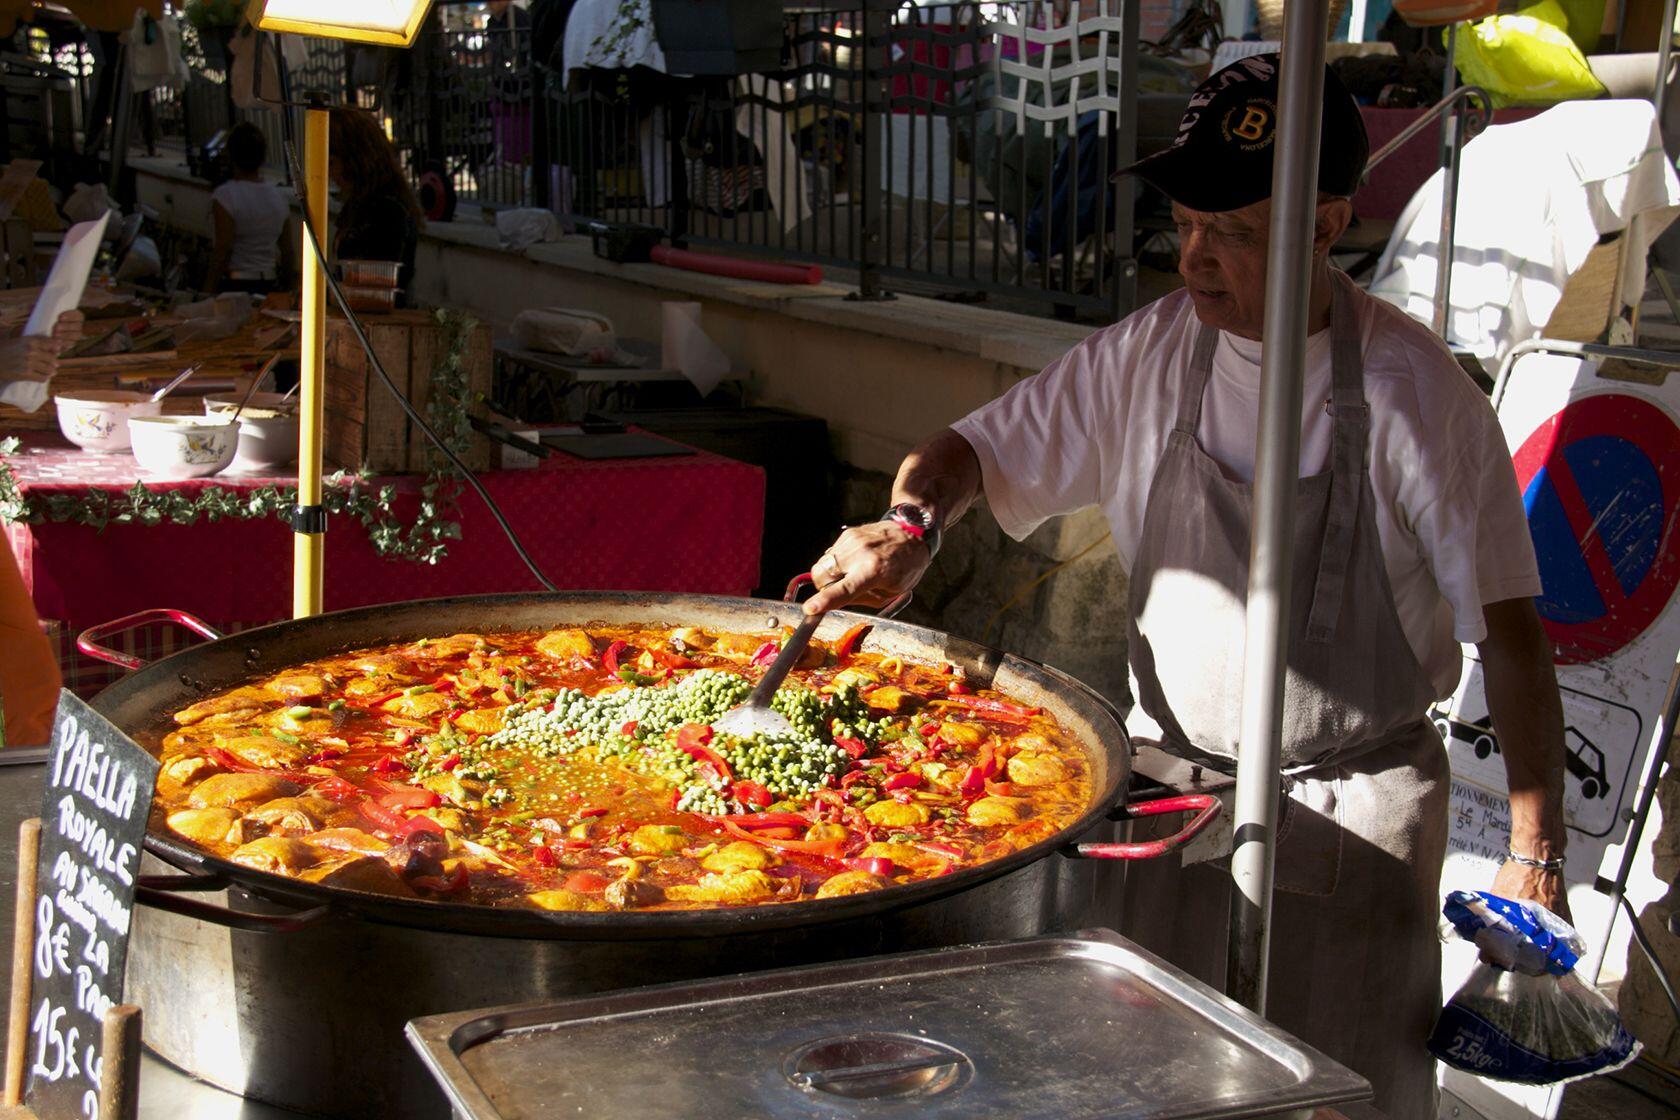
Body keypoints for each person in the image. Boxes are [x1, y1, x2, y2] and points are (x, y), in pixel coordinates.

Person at [802, 55, 1567, 1119]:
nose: (1197, 259)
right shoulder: (1147, 356)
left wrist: (1535, 856)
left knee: (1336, 1094)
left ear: (1327, 220)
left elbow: (1513, 631)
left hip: (1349, 825)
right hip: (1170, 801)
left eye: (1238, 232)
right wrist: (910, 528)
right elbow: (969, 450)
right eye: (1186, 223)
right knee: (1148, 1092)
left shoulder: (1414, 396)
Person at [328, 108, 424, 294]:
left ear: (353, 160)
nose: (329, 173)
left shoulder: (386, 209)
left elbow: (372, 288)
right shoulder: (359, 203)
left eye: (332, 162)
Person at [206, 122, 292, 296]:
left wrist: (208, 288)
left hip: (236, 283)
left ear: (231, 155)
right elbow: (287, 250)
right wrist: (288, 287)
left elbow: (224, 248)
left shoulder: (226, 196)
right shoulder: (279, 197)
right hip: (269, 282)